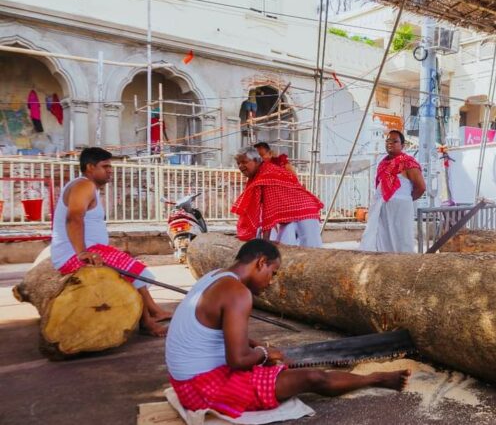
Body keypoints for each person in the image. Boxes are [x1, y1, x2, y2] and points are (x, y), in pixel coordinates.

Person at [165, 239, 410, 418]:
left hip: (185, 381)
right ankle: (375, 378)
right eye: (272, 273)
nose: (271, 282)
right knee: (314, 377)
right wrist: (264, 353)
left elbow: (214, 330)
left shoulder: (215, 276)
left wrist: (256, 347)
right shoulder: (237, 293)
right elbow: (238, 360)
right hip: (203, 388)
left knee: (279, 363)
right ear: (261, 262)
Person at [50, 147, 171, 336]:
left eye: (110, 166)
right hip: (72, 255)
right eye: (105, 166)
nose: (110, 170)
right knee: (130, 269)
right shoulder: (84, 185)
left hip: (87, 250)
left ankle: (152, 311)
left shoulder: (87, 187)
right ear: (90, 167)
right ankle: (147, 321)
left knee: (131, 265)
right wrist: (82, 252)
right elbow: (73, 218)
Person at [232, 147, 323, 247]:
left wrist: (265, 240)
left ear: (256, 160)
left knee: (312, 246)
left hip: (305, 211)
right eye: (238, 163)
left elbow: (269, 211)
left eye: (244, 162)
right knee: (282, 247)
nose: (241, 166)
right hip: (288, 216)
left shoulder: (267, 174)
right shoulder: (259, 173)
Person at [360, 130, 426, 253]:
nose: (390, 144)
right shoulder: (382, 164)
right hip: (382, 210)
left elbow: (421, 187)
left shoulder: (408, 163)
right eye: (388, 141)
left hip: (401, 210)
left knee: (402, 241)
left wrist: (405, 199)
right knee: (382, 241)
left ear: (402, 145)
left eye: (395, 141)